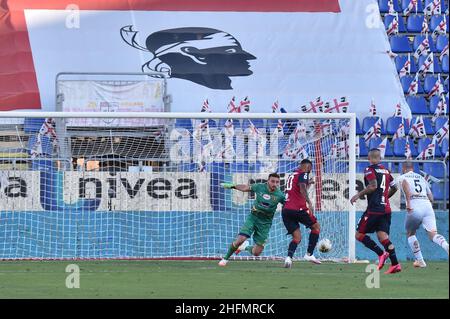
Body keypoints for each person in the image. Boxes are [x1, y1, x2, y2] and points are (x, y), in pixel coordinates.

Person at [350, 149, 401, 274]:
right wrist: (385, 198)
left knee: (359, 235)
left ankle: (381, 254)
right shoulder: (386, 171)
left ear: (369, 158)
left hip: (374, 210)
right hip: (386, 209)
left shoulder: (369, 170)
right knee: (383, 237)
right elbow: (395, 187)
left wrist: (358, 195)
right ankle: (395, 264)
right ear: (380, 158)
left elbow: (373, 186)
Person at [218, 173, 285, 266]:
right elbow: (246, 188)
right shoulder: (259, 187)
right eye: (272, 181)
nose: (275, 184)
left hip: (265, 223)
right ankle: (225, 259)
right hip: (253, 217)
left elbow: (288, 205)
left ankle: (245, 247)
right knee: (241, 239)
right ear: (268, 181)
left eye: (277, 182)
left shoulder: (280, 195)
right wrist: (233, 186)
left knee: (256, 253)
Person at [395, 161, 449, 267]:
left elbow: (404, 185)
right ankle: (446, 245)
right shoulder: (421, 178)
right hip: (427, 206)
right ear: (412, 168)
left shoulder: (402, 177)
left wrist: (409, 202)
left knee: (410, 233)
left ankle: (420, 260)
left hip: (414, 205)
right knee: (433, 234)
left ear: (403, 168)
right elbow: (432, 198)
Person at [282, 158, 321, 268]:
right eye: (310, 169)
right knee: (316, 227)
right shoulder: (304, 174)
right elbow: (302, 189)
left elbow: (298, 189)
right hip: (298, 209)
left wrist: (308, 183)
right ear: (308, 167)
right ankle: (309, 254)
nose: (309, 171)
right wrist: (309, 202)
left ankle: (288, 259)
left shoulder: (293, 175)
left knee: (297, 238)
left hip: (286, 210)